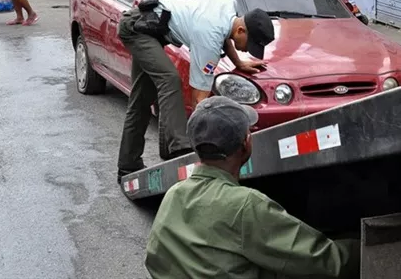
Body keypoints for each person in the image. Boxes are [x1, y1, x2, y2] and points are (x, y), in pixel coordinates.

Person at [145, 96, 360, 279]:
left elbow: (153, 259)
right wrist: (370, 248)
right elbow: (325, 261)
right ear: (246, 143)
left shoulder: (174, 193)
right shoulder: (246, 204)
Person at [116, 0, 275, 182]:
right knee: (170, 79)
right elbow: (199, 99)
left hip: (149, 29)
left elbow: (225, 35)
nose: (248, 50)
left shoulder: (228, 4)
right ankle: (180, 150)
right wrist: (204, 142)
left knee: (141, 101)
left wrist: (238, 62)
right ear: (241, 30)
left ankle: (128, 165)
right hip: (137, 30)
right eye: (249, 45)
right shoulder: (208, 38)